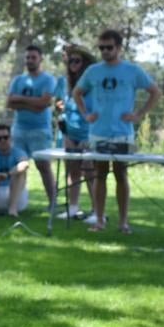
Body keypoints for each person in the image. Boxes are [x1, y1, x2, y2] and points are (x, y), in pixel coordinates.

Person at [73, 29, 162, 233]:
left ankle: (123, 222)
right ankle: (99, 220)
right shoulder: (93, 71)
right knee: (100, 174)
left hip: (122, 132)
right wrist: (86, 114)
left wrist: (139, 114)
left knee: (121, 174)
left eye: (109, 47)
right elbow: (77, 92)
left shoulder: (132, 70)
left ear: (119, 48)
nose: (105, 51)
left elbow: (155, 92)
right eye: (101, 48)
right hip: (98, 132)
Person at [6, 44, 57, 207]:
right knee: (19, 166)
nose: (30, 60)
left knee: (43, 166)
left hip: (40, 130)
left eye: (33, 57)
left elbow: (44, 102)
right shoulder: (18, 80)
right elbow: (9, 103)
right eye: (27, 57)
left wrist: (20, 100)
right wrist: (32, 105)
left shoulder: (48, 79)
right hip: (19, 129)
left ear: (40, 59)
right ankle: (17, 203)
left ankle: (53, 202)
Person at [55, 45, 96, 220]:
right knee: (72, 171)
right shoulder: (63, 82)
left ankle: (97, 211)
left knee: (90, 171)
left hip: (88, 133)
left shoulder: (92, 83)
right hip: (68, 132)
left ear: (85, 63)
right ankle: (73, 208)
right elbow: (58, 103)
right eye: (70, 60)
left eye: (77, 60)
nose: (72, 64)